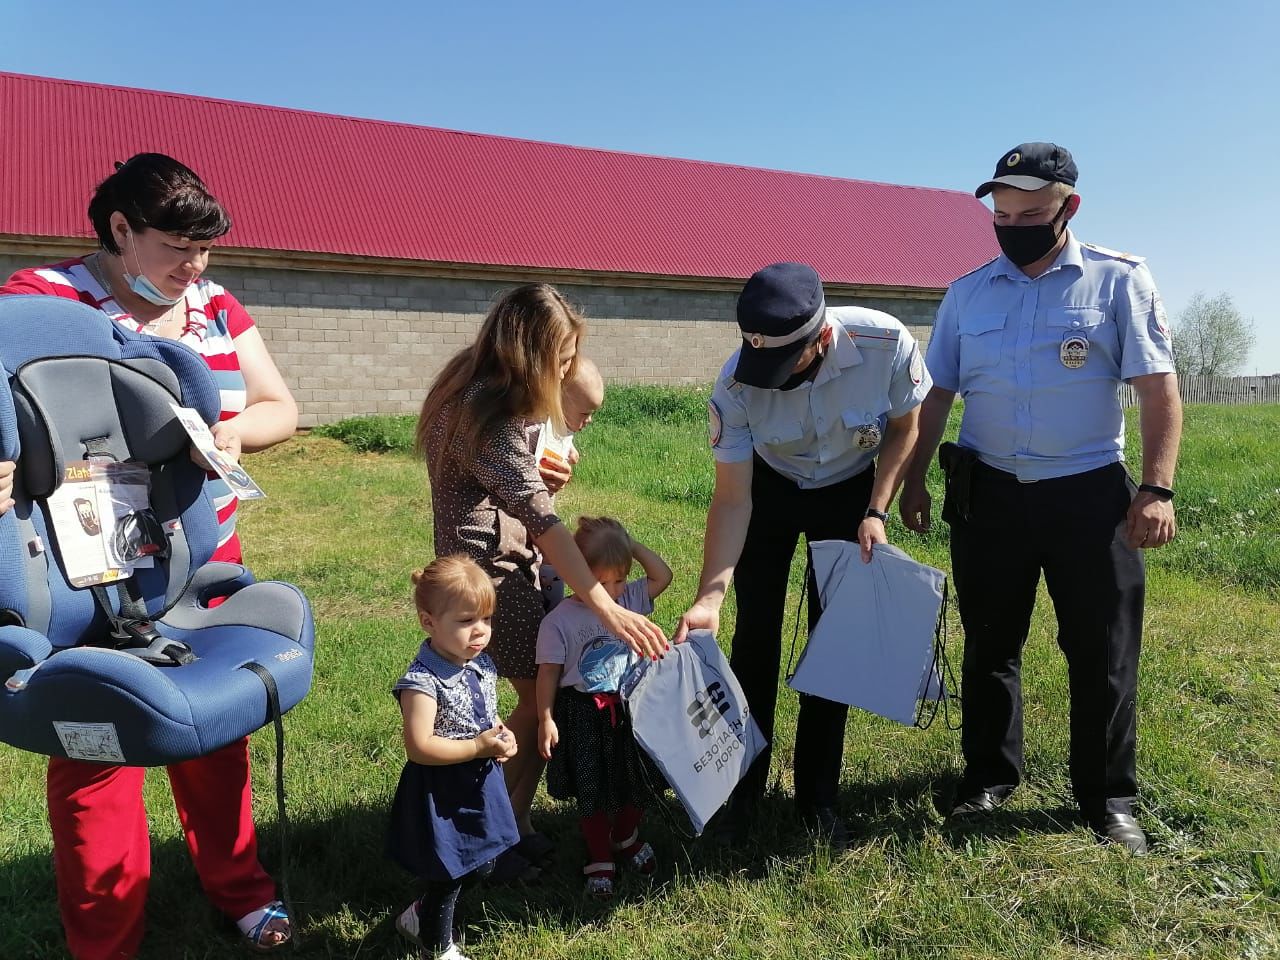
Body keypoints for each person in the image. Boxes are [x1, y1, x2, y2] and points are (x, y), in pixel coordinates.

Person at [0, 153, 299, 957]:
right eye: (178, 247)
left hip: (197, 561)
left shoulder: (214, 305)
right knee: (97, 751)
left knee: (217, 739)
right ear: (121, 229)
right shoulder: (41, 302)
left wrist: (236, 431)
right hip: (85, 579)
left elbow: (281, 405)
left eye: (206, 250)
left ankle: (241, 891)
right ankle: (106, 939)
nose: (195, 267)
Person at [898, 142, 1181, 856]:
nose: (1012, 224)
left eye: (1029, 212)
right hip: (989, 493)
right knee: (991, 643)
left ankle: (1109, 798)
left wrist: (1155, 488)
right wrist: (913, 475)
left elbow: (1158, 389)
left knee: (1103, 651)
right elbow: (938, 394)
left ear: (1068, 208)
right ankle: (989, 776)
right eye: (1002, 213)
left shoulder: (1118, 281)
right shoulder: (968, 293)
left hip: (1090, 496)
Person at [674, 261, 931, 847]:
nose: (770, 381)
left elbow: (904, 428)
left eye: (782, 369)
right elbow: (734, 498)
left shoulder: (885, 342)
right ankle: (742, 797)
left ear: (822, 339)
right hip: (771, 488)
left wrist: (876, 509)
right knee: (754, 639)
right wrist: (709, 594)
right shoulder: (736, 384)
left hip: (848, 490)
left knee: (834, 644)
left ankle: (818, 799)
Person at [415, 285, 667, 880]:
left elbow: (529, 505)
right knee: (530, 712)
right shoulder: (488, 420)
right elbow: (549, 527)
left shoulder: (481, 390)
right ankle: (488, 838)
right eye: (561, 362)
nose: (567, 372)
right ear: (530, 356)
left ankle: (514, 823)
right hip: (494, 580)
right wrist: (604, 605)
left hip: (498, 568)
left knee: (528, 707)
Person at [388, 556, 520, 960]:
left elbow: (486, 710)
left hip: (479, 780)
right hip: (443, 790)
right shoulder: (422, 682)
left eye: (486, 619)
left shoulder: (478, 661)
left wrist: (501, 733)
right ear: (429, 622)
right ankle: (437, 945)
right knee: (451, 871)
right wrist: (478, 747)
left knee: (484, 862)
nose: (480, 631)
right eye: (466, 622)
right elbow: (419, 746)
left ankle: (419, 915)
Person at [535, 517, 673, 898]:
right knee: (592, 791)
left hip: (631, 707)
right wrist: (546, 717)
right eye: (601, 582)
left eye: (619, 579)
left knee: (641, 781)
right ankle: (599, 856)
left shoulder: (628, 600)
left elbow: (663, 576)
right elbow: (548, 674)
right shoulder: (559, 621)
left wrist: (631, 544)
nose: (613, 592)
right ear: (577, 572)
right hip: (583, 715)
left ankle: (624, 836)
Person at [535, 356, 606, 611]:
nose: (588, 420)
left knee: (548, 557)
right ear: (556, 401)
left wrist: (570, 448)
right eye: (585, 413)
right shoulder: (541, 427)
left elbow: (563, 438)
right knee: (549, 555)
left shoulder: (562, 425)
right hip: (532, 512)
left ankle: (552, 602)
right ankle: (551, 605)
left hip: (544, 509)